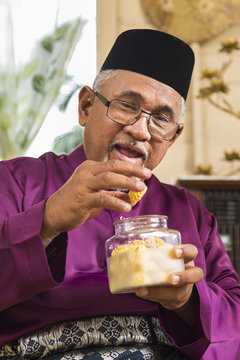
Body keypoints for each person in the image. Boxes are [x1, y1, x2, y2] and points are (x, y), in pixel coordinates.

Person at [0, 29, 239, 360]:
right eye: (127, 106)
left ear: (173, 137)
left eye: (161, 119)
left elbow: (234, 318)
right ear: (86, 107)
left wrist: (186, 301)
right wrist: (49, 219)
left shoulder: (190, 212)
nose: (140, 130)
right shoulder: (15, 182)